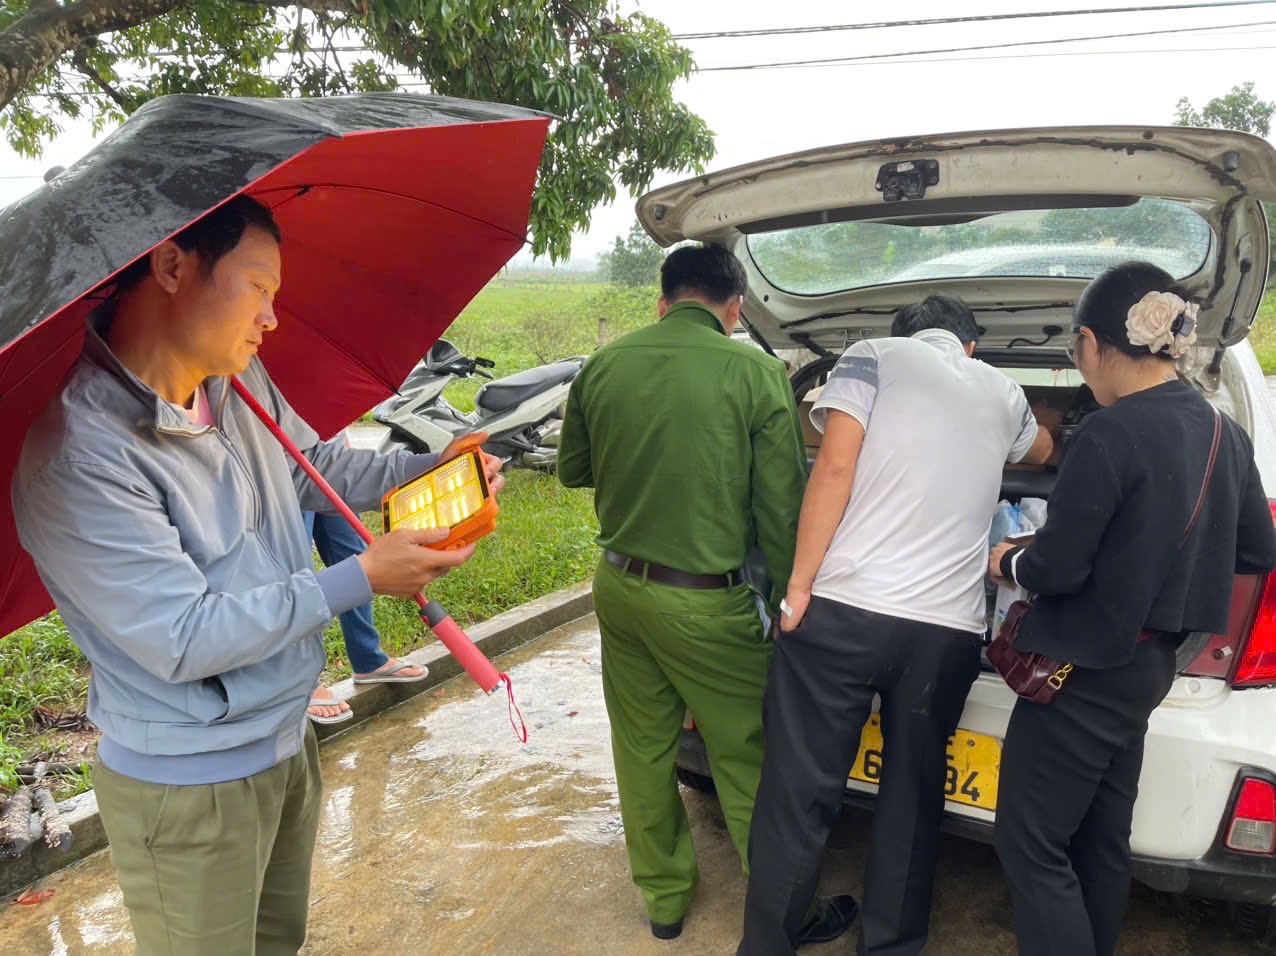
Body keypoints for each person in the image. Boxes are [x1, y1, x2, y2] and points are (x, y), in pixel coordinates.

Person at [12, 195, 500, 955]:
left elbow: (317, 465)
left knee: (280, 942)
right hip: (188, 785)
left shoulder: (234, 383)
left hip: (283, 736)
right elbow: (182, 636)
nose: (270, 317)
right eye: (259, 288)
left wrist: (428, 467)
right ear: (174, 266)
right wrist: (361, 577)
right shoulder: (81, 457)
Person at [740, 294, 1055, 956]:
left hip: (845, 613)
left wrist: (796, 587)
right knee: (912, 797)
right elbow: (1044, 447)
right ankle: (890, 946)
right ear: (970, 346)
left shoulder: (870, 356)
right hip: (943, 634)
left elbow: (833, 463)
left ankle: (767, 945)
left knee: (799, 792)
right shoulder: (1002, 391)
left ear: (906, 332)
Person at [988, 262, 1276, 956]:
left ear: (1092, 341)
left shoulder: (1109, 434)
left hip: (1082, 671)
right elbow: (1257, 549)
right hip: (1150, 667)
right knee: (1101, 836)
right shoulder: (1221, 435)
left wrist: (1009, 560)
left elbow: (1056, 568)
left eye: (1075, 352)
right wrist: (1161, 570)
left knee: (1028, 844)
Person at [557, 245, 811, 941]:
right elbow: (781, 511)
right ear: (735, 310)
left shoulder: (604, 365)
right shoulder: (758, 374)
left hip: (620, 588)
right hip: (708, 605)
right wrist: (795, 604)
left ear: (662, 302)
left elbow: (573, 470)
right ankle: (781, 910)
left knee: (642, 750)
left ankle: (665, 902)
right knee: (747, 753)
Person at [302, 434, 431, 725]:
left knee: (355, 557)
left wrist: (341, 439)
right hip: (289, 463)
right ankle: (303, 681)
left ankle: (367, 659)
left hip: (327, 454)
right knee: (296, 567)